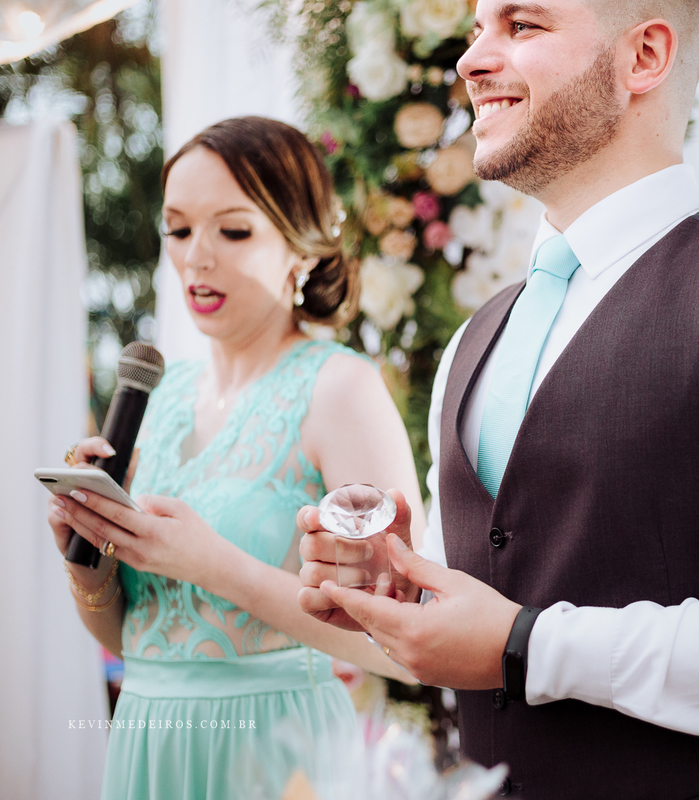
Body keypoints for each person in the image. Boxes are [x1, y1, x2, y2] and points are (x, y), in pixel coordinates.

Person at [297, 2, 699, 797]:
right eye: (475, 30)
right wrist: (400, 590)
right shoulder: (474, 341)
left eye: (522, 27)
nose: (471, 61)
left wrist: (530, 647)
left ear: (646, 56)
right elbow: (501, 589)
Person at [49, 116, 427, 800]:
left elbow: (409, 644)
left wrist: (208, 562)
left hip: (277, 754)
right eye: (179, 229)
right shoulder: (161, 400)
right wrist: (90, 555)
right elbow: (134, 636)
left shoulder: (340, 389)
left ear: (301, 245)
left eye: (232, 230)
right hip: (146, 745)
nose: (197, 257)